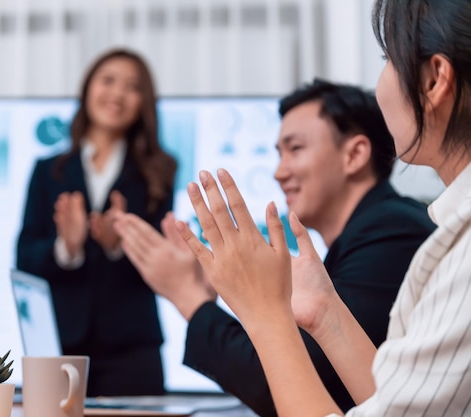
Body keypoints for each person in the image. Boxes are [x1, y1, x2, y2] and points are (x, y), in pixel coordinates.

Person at [174, 0, 471, 415]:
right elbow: (393, 403)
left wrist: (263, 309)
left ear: (435, 79)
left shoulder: (418, 239)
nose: (279, 172)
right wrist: (324, 313)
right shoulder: (444, 230)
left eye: (389, 59)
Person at [114, 80, 436, 415]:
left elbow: (285, 387)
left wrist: (189, 297)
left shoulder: (391, 233)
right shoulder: (374, 230)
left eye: (295, 149)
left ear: (354, 154)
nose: (279, 172)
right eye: (278, 154)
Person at [16, 48, 177, 396]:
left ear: (143, 102)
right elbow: (24, 258)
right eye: (108, 80)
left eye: (132, 86)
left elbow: (165, 266)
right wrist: (66, 248)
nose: (117, 94)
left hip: (133, 350)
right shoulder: (49, 172)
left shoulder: (158, 173)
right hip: (59, 348)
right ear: (88, 88)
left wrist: (119, 248)